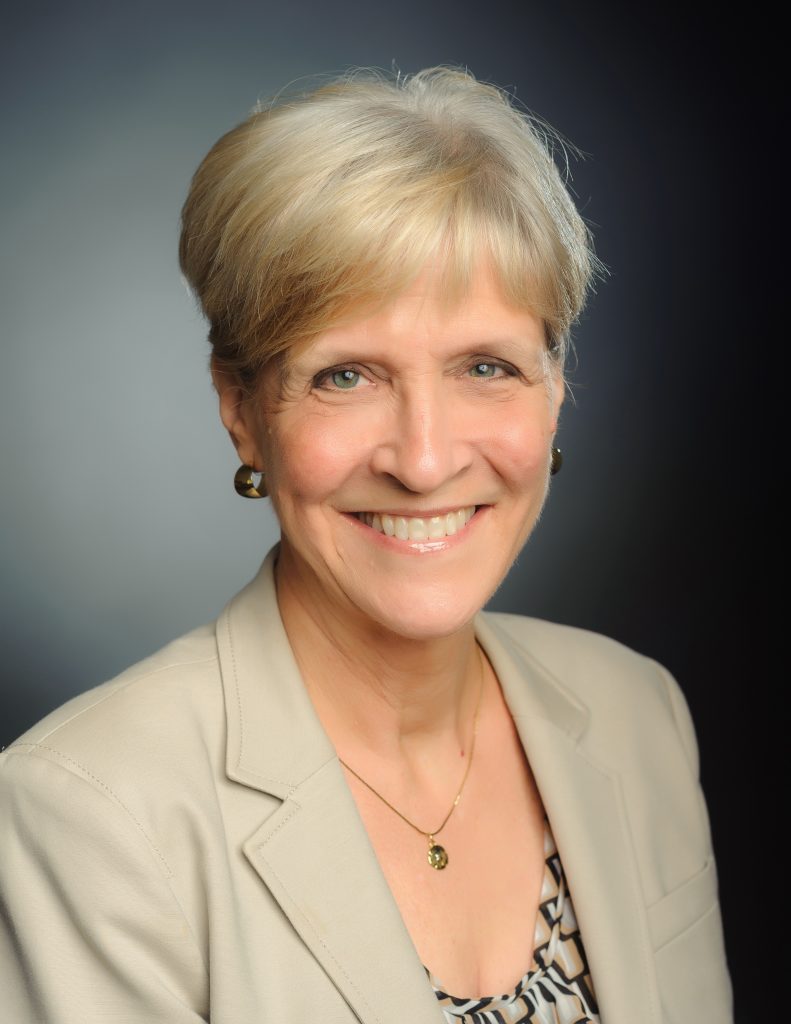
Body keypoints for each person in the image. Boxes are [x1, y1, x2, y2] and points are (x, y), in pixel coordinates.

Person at [0, 67, 732, 1023]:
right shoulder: (90, 814)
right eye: (345, 375)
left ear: (555, 388)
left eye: (485, 366)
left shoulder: (638, 715)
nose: (423, 461)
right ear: (243, 413)